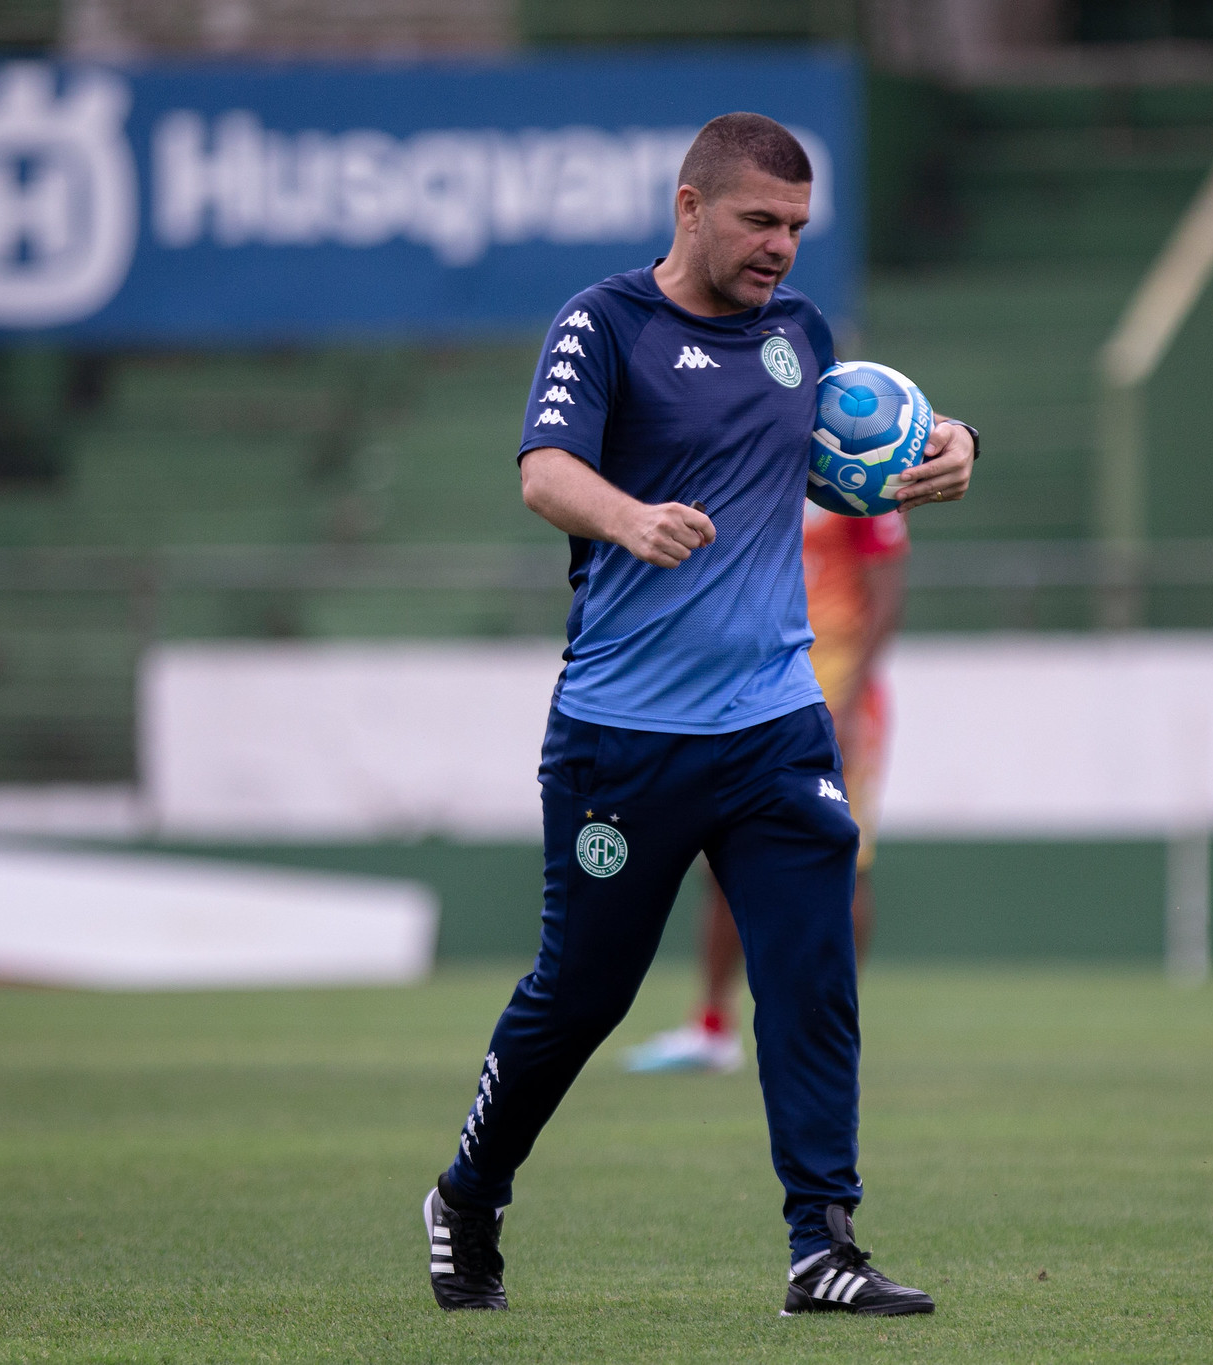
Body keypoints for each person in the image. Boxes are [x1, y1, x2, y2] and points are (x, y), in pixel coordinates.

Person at [422, 112, 975, 1318]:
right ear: (689, 207)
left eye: (796, 226)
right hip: (623, 733)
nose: (780, 246)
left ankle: (821, 1246)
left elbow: (851, 451)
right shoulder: (604, 322)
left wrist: (952, 443)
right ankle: (468, 1193)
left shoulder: (799, 334)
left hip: (775, 723)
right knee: (581, 995)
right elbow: (543, 472)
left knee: (811, 977)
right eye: (758, 220)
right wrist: (627, 517)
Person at [625, 503, 908, 1074]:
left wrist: (852, 702)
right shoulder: (750, 469)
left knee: (843, 861)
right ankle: (711, 1027)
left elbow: (887, 592)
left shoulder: (856, 469)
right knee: (722, 856)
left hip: (835, 691)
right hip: (750, 691)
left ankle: (831, 1027)